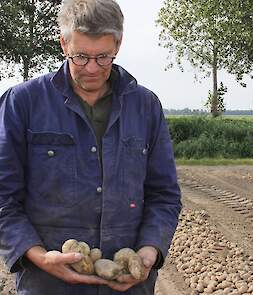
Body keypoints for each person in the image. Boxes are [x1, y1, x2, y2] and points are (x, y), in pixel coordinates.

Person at [0, 0, 182, 294]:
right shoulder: (22, 103)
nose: (93, 69)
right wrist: (38, 255)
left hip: (128, 284)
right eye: (81, 56)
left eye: (104, 57)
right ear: (63, 44)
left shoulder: (146, 106)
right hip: (47, 283)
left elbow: (164, 194)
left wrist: (150, 250)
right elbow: (3, 197)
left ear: (118, 46)